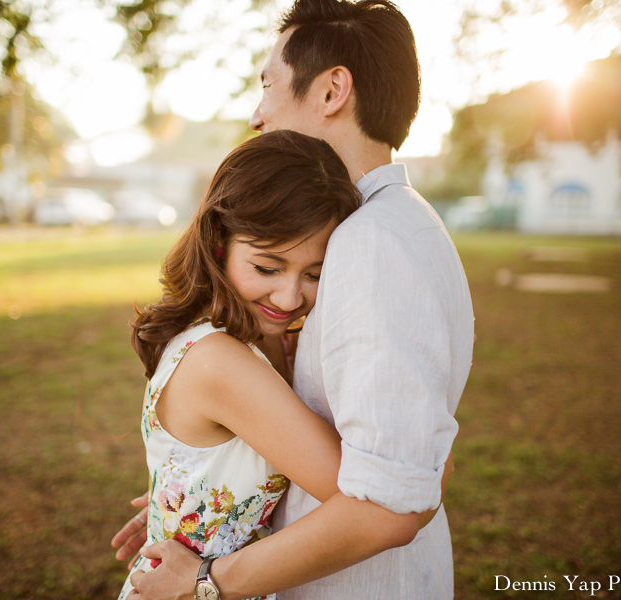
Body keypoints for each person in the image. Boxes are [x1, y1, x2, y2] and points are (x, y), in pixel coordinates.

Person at [114, 0, 474, 598]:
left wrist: (207, 574)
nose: (257, 114)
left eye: (267, 84)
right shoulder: (404, 221)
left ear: (333, 89)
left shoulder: (368, 242)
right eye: (270, 264)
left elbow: (397, 495)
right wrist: (203, 501)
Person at [115, 129, 360, 600]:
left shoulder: (244, 336)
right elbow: (359, 489)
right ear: (219, 243)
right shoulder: (219, 360)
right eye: (267, 268)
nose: (290, 297)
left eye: (315, 273)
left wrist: (188, 505)